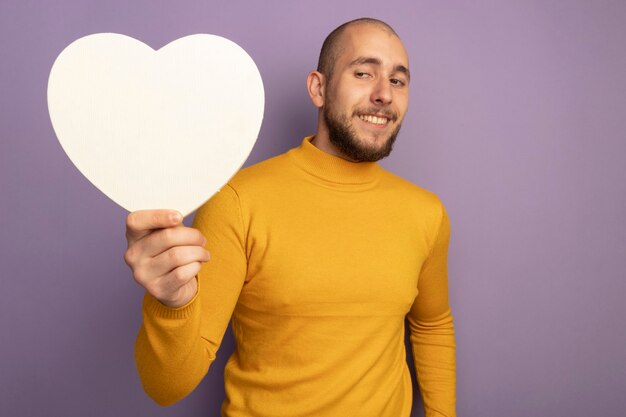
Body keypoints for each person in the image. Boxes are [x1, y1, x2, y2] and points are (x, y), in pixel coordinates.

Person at [124, 17, 456, 417]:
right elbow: (166, 386)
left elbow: (432, 325)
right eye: (364, 73)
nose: (384, 93)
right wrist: (173, 303)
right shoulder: (237, 201)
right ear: (318, 88)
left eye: (398, 81)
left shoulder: (426, 213)